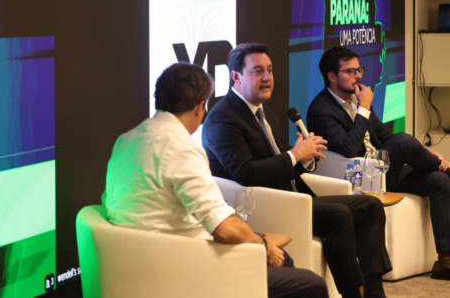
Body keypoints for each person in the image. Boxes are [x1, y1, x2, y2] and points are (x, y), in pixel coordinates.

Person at [103, 62, 327, 298]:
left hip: (134, 264)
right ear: (200, 106)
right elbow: (225, 229)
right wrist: (263, 246)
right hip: (182, 266)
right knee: (310, 283)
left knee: (282, 259)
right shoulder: (180, 147)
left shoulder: (127, 140)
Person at [202, 43, 391, 298]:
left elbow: (283, 161)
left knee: (370, 206)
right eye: (258, 71)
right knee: (339, 215)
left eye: (269, 70)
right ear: (236, 76)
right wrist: (294, 155)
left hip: (294, 196)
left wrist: (304, 157)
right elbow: (245, 173)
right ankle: (352, 294)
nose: (267, 78)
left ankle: (375, 292)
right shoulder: (223, 118)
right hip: (267, 204)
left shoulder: (266, 113)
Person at [307, 46, 450, 280]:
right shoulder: (320, 110)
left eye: (359, 70)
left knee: (438, 179)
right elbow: (348, 148)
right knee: (404, 141)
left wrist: (424, 153)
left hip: (381, 170)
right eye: (350, 71)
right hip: (359, 177)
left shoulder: (357, 99)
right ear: (331, 76)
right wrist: (363, 108)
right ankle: (438, 164)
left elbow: (385, 137)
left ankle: (445, 260)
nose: (358, 76)